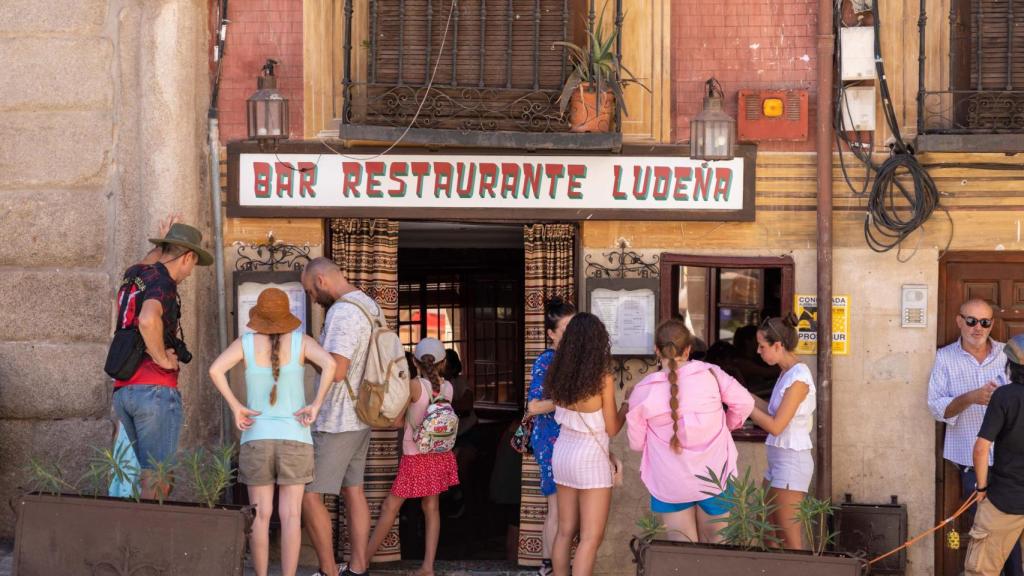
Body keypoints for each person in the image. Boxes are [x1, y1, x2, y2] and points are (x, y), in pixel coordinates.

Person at [207, 288, 338, 576]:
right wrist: (315, 405)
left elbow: (215, 369)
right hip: (296, 437)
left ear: (259, 316)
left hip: (257, 438)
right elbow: (330, 364)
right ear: (287, 316)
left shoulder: (246, 343)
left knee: (261, 516)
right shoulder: (302, 342)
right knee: (291, 516)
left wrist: (236, 407)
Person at [627, 319, 754, 543]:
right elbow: (745, 403)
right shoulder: (712, 374)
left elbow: (636, 444)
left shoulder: (643, 390)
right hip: (715, 476)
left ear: (657, 350)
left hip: (670, 481)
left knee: (682, 555)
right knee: (718, 548)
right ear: (688, 350)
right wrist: (726, 424)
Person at [111, 221, 212, 500]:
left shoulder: (135, 275)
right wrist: (161, 358)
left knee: (143, 472)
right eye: (192, 264)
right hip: (154, 390)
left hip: (124, 390)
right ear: (188, 257)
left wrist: (162, 245)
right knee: (157, 476)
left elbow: (146, 265)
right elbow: (147, 318)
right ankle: (147, 542)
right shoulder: (164, 283)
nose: (190, 273)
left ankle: (135, 539)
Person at [928, 298, 1019, 576]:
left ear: (992, 324)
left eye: (984, 322)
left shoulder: (1008, 355)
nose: (978, 328)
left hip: (1011, 467)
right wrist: (972, 397)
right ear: (959, 321)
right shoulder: (945, 357)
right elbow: (936, 407)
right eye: (971, 321)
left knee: (1014, 544)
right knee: (985, 539)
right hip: (972, 467)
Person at [300, 257, 378, 576]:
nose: (312, 298)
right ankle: (358, 567)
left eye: (309, 291)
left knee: (308, 495)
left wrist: (306, 354)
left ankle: (329, 570)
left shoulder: (342, 312)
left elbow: (338, 369)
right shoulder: (368, 305)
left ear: (321, 280)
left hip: (338, 418)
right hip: (361, 415)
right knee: (354, 491)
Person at [366, 338, 460, 576]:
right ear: (443, 362)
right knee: (432, 508)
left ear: (415, 362)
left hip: (415, 455)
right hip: (439, 455)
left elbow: (397, 422)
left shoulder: (413, 386)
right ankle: (428, 566)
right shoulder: (449, 387)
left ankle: (362, 560)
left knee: (390, 506)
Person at [544, 313, 628, 576]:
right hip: (590, 458)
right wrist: (626, 405)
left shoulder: (557, 374)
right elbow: (612, 428)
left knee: (564, 531)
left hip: (563, 452)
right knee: (590, 538)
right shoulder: (602, 379)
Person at [747, 313, 816, 550]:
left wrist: (746, 406)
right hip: (778, 461)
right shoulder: (786, 373)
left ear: (778, 345)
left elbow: (776, 426)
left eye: (762, 346)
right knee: (765, 527)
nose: (758, 351)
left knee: (790, 540)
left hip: (791, 461)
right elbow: (773, 411)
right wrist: (741, 394)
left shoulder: (799, 379)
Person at [964, 334, 1024, 576]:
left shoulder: (1004, 396)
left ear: (1010, 365)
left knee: (981, 570)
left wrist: (981, 488)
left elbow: (981, 448)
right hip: (1007, 496)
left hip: (1003, 499)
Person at [525, 296, 576, 576]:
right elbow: (533, 406)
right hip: (551, 439)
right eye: (565, 329)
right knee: (557, 507)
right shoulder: (548, 360)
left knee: (568, 511)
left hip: (572, 439)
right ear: (551, 334)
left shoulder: (576, 361)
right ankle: (549, 566)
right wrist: (572, 400)